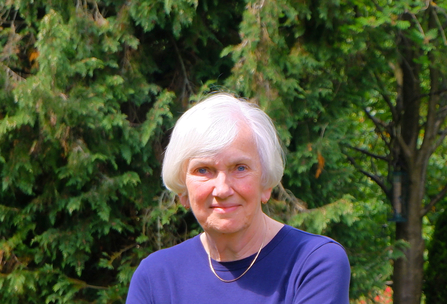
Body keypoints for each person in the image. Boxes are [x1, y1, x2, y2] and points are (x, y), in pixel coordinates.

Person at [126, 93, 350, 304]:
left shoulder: (313, 262)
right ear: (183, 190)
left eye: (240, 168)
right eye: (203, 170)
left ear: (265, 183)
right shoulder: (155, 277)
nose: (222, 190)